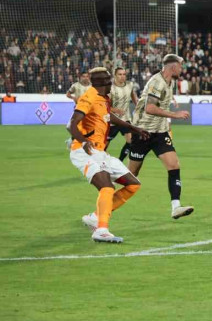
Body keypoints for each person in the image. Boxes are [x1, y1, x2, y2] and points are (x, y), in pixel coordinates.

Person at [67, 67, 150, 243]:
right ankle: (101, 230)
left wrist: (133, 127)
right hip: (84, 151)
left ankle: (95, 217)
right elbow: (71, 125)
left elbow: (107, 116)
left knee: (133, 184)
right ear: (101, 83)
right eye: (108, 80)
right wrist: (83, 141)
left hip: (100, 152)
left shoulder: (103, 99)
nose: (111, 82)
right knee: (106, 187)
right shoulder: (88, 97)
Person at [128, 54, 195, 219]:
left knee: (174, 165)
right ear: (173, 67)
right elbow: (149, 108)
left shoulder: (169, 81)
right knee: (131, 175)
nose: (182, 69)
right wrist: (174, 115)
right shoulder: (157, 82)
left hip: (160, 132)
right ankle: (99, 211)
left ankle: (176, 207)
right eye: (180, 66)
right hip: (142, 132)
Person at [106, 68, 138, 161]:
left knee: (130, 141)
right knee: (104, 146)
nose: (122, 76)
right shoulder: (110, 89)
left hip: (125, 118)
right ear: (115, 75)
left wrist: (137, 105)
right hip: (112, 120)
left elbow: (133, 95)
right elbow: (105, 106)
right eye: (120, 74)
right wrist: (115, 110)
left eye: (124, 74)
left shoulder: (129, 85)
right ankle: (102, 162)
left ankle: (120, 161)